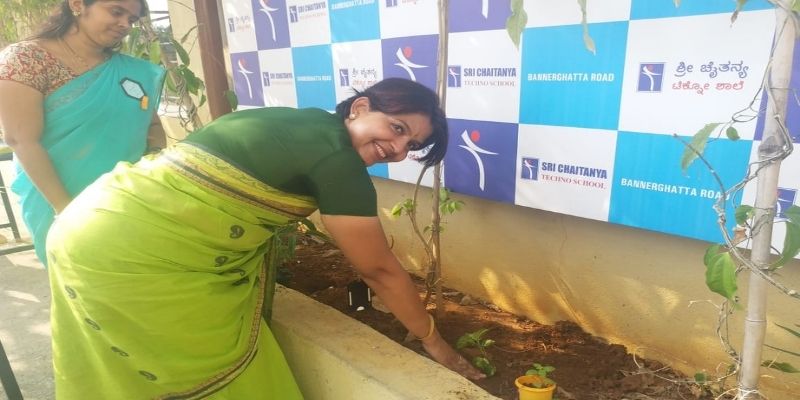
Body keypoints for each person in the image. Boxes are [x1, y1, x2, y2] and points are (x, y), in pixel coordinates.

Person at [46, 78, 485, 399]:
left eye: (412, 146)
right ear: (359, 107)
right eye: (397, 128)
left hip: (90, 221)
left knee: (124, 367)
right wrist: (433, 340)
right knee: (207, 373)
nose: (399, 149)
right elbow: (379, 271)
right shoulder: (337, 159)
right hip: (132, 255)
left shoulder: (303, 123)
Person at [0, 0, 166, 264]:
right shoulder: (26, 59)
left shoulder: (131, 71)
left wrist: (151, 170)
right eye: (116, 12)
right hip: (61, 202)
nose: (125, 24)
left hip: (129, 199)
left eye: (132, 19)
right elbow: (21, 140)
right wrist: (67, 211)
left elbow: (152, 125)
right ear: (77, 4)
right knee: (83, 277)